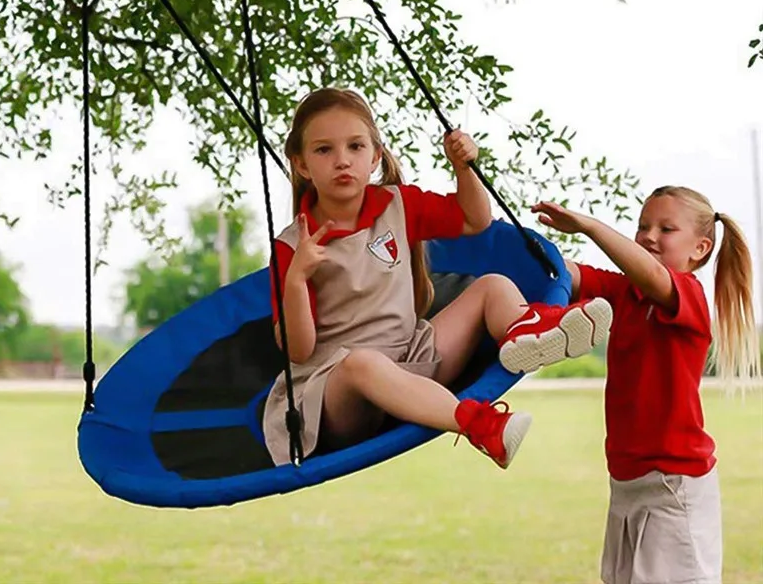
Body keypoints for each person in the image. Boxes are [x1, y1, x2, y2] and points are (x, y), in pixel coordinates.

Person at [262, 87, 612, 469]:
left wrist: (464, 169)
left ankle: (529, 332)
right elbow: (298, 350)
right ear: (301, 164)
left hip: (409, 358)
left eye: (355, 147)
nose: (342, 161)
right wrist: (296, 280)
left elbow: (473, 219)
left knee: (492, 285)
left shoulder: (398, 204)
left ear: (376, 156)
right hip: (337, 392)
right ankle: (479, 424)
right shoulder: (292, 246)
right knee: (363, 363)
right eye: (324, 150)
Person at [529, 187, 760, 584]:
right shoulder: (625, 293)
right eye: (642, 226)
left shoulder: (686, 294)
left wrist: (587, 226)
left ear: (700, 249)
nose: (649, 235)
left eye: (666, 228)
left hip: (672, 486)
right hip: (626, 482)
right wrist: (509, 241)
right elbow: (563, 271)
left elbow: (653, 275)